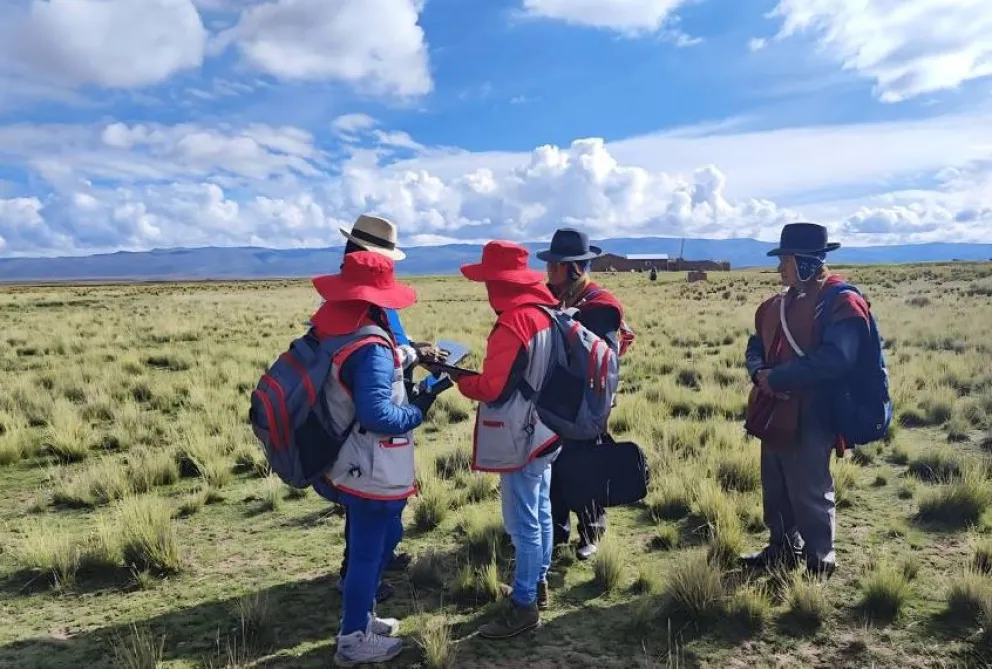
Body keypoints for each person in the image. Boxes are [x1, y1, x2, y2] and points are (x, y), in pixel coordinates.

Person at [307, 251, 437, 666]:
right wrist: (421, 406)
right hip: (371, 465)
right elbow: (378, 414)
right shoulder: (372, 345)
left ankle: (362, 617)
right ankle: (352, 639)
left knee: (378, 542)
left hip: (348, 459)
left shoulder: (337, 329)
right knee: (369, 551)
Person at [741, 222, 871, 577]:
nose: (780, 267)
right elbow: (756, 345)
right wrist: (759, 374)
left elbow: (837, 359)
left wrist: (780, 377)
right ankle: (782, 548)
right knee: (776, 482)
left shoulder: (841, 302)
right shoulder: (774, 305)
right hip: (774, 410)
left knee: (810, 487)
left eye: (786, 260)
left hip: (814, 412)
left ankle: (820, 557)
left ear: (808, 262)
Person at [331, 214, 445, 602]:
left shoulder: (363, 296)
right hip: (369, 422)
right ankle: (358, 577)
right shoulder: (355, 301)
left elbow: (386, 340)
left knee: (379, 502)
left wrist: (415, 347)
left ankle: (378, 556)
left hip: (383, 407)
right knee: (370, 498)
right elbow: (369, 351)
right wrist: (413, 356)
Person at [451, 240, 562, 639]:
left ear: (500, 283)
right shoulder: (547, 312)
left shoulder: (513, 322)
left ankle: (524, 604)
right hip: (547, 428)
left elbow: (492, 388)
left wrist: (457, 377)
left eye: (488, 281)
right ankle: (538, 583)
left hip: (520, 433)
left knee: (522, 522)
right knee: (541, 509)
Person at [537, 228, 626, 560]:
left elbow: (605, 359)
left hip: (587, 401)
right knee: (554, 467)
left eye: (555, 265)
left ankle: (592, 530)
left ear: (572, 267)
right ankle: (556, 530)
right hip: (555, 397)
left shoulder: (602, 307)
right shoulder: (554, 296)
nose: (549, 271)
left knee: (584, 466)